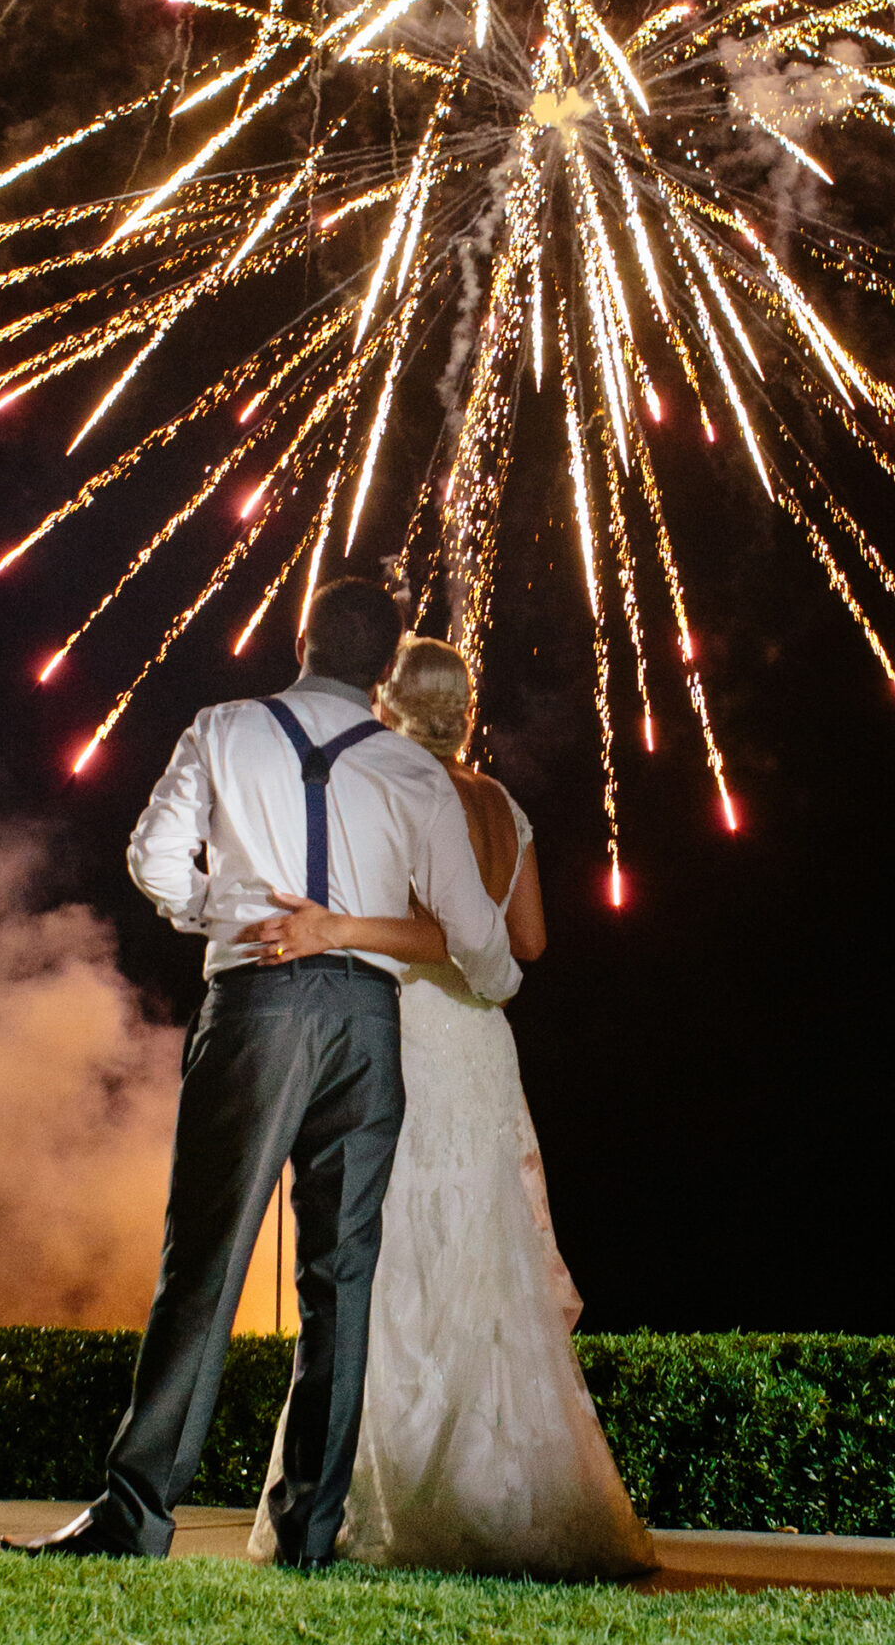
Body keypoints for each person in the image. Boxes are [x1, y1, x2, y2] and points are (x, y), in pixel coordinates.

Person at [3, 580, 518, 1566]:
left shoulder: (224, 726)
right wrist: (480, 977)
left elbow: (154, 859)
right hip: (368, 1021)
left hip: (256, 1008)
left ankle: (137, 1512)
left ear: (301, 638)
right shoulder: (414, 771)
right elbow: (480, 939)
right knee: (342, 1275)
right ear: (383, 672)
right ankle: (309, 1534)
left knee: (206, 1255)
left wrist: (231, 918)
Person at [243, 636, 655, 1582]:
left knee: (384, 1255)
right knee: (485, 1254)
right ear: (465, 709)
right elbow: (531, 942)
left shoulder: (388, 791)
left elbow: (423, 932)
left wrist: (334, 931)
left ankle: (371, 1497)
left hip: (409, 1036)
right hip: (482, 1048)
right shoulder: (502, 804)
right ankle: (511, 1495)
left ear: (386, 703)